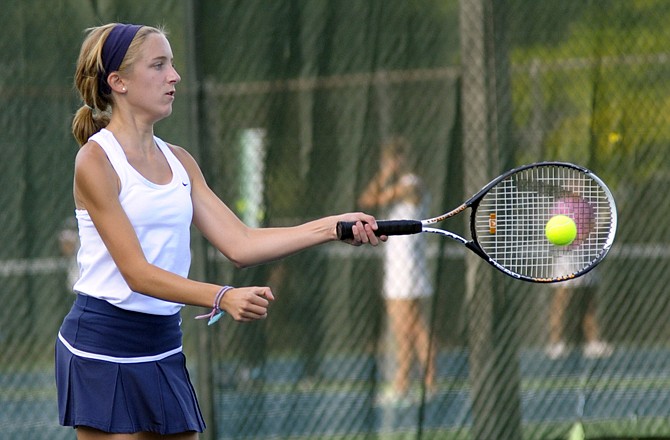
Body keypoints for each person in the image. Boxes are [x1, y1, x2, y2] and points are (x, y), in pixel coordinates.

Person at [57, 23, 383, 440]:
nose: (174, 76)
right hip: (103, 346)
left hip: (162, 345)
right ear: (117, 82)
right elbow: (136, 273)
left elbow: (240, 243)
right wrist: (222, 296)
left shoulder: (180, 161)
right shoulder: (95, 161)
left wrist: (332, 228)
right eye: (158, 65)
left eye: (172, 64)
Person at [358, 137, 435, 405]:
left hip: (408, 268)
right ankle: (427, 382)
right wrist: (384, 174)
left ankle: (403, 383)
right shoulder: (403, 184)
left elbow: (370, 200)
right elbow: (366, 200)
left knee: (405, 327)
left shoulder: (411, 185)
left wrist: (386, 175)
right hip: (401, 267)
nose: (390, 163)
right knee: (415, 326)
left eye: (394, 158)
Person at [546, 195, 612, 359]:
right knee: (561, 300)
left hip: (586, 256)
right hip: (566, 256)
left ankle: (593, 343)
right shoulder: (560, 205)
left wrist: (588, 235)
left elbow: (594, 229)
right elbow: (553, 230)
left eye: (580, 182)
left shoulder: (589, 204)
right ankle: (556, 344)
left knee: (589, 301)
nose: (577, 185)